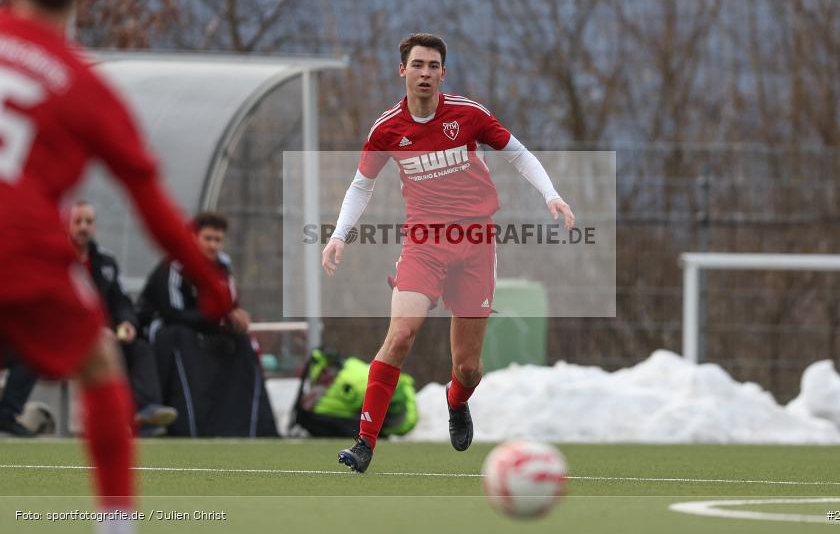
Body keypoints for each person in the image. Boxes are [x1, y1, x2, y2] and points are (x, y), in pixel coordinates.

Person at [0, 0, 232, 526]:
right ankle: (116, 521)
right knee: (100, 364)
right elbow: (153, 208)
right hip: (20, 249)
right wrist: (209, 280)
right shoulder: (87, 90)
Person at [322, 33, 575, 472]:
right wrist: (339, 233)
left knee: (469, 369)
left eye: (433, 66)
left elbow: (518, 154)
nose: (425, 73)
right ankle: (364, 442)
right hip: (423, 244)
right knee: (400, 335)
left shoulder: (468, 115)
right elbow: (362, 184)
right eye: (417, 65)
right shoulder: (387, 129)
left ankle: (456, 402)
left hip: (475, 245)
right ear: (403, 71)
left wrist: (551, 194)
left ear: (443, 72)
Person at [0, 201, 182, 438]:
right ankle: (8, 414)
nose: (83, 227)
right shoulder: (50, 259)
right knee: (27, 353)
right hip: (57, 340)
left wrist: (126, 323)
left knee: (139, 348)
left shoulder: (106, 262)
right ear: (66, 225)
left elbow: (121, 302)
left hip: (98, 343)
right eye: (78, 221)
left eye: (89, 221)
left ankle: (144, 412)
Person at [137, 212, 278, 438]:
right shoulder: (175, 265)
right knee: (179, 336)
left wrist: (235, 320)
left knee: (242, 341)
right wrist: (220, 318)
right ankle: (184, 424)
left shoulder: (223, 266)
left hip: (205, 329)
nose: (213, 245)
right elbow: (172, 312)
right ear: (194, 238)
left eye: (218, 240)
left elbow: (230, 306)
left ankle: (250, 426)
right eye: (208, 238)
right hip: (166, 329)